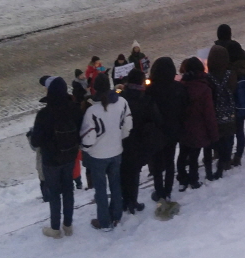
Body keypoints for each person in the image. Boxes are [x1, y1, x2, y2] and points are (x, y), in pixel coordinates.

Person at [27, 76, 82, 238]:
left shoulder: (44, 114)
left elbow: (36, 141)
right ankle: (68, 225)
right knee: (68, 190)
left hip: (51, 160)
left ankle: (55, 228)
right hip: (70, 156)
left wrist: (32, 135)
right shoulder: (74, 109)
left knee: (54, 194)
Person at [80, 74, 132, 230]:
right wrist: (118, 140)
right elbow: (127, 126)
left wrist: (86, 149)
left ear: (94, 87)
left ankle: (104, 221)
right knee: (116, 184)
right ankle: (116, 215)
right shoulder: (122, 102)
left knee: (100, 190)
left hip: (98, 156)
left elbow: (88, 138)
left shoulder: (92, 110)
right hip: (116, 152)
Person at [146, 57, 186, 218]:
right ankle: (168, 191)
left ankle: (159, 191)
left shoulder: (151, 90)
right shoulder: (178, 87)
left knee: (157, 163)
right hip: (173, 130)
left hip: (157, 132)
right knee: (169, 161)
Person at [119, 67, 162, 215]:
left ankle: (124, 201)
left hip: (123, 141)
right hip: (139, 141)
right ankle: (132, 201)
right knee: (134, 172)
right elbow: (157, 120)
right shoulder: (146, 99)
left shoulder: (121, 98)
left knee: (124, 171)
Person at [177, 57, 217, 191]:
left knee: (183, 154)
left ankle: (182, 178)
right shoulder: (205, 88)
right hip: (199, 128)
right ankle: (194, 180)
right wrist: (213, 134)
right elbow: (209, 114)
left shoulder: (181, 86)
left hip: (184, 126)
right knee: (194, 156)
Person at [213, 24, 245, 165]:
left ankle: (224, 156)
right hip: (239, 97)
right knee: (239, 129)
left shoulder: (217, 51)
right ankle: (238, 155)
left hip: (223, 99)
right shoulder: (238, 49)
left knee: (225, 131)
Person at [204, 45, 238, 178]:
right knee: (229, 138)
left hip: (215, 113)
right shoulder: (231, 75)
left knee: (216, 139)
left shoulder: (208, 78)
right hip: (230, 112)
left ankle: (216, 160)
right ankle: (226, 161)